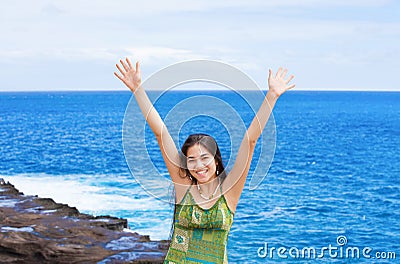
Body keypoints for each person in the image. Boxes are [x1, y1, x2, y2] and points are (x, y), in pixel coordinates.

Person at [114, 58, 295, 263]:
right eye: (191, 160)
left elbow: (249, 141)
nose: (198, 166)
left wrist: (271, 96)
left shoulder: (230, 193)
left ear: (216, 160)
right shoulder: (183, 188)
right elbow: (161, 134)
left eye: (204, 158)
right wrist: (138, 89)